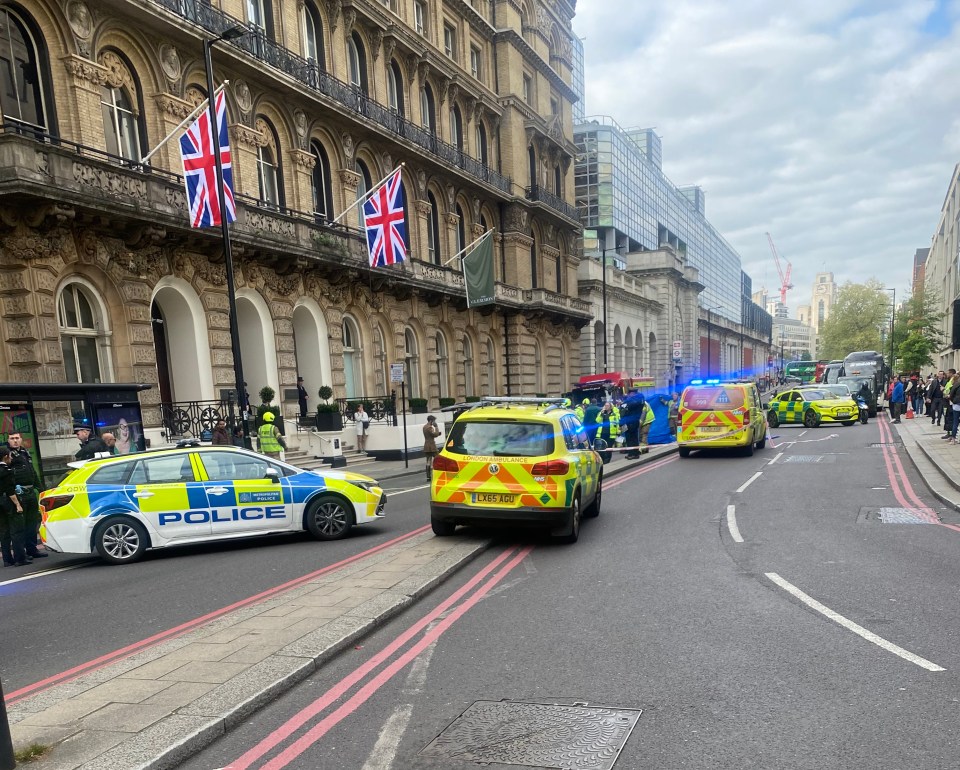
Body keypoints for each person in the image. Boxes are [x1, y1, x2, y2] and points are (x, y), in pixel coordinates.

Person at [5, 431, 46, 560]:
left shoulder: (24, 452)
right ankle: (22, 554)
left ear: (21, 439)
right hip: (18, 494)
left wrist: (40, 489)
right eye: (12, 438)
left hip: (30, 493)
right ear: (8, 440)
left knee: (31, 523)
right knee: (20, 525)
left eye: (17, 438)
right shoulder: (8, 455)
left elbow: (32, 471)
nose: (15, 441)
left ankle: (32, 549)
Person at [0, 446, 28, 567]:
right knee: (16, 530)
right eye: (10, 456)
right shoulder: (6, 471)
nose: (11, 458)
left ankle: (7, 559)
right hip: (8, 501)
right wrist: (17, 505)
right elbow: (10, 490)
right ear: (6, 457)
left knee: (4, 531)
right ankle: (20, 558)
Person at [422, 414, 440, 481]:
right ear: (431, 421)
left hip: (426, 445)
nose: (434, 422)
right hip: (431, 446)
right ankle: (438, 475)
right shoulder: (430, 427)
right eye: (434, 421)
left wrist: (437, 433)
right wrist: (436, 427)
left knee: (428, 461)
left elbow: (430, 435)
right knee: (438, 459)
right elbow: (434, 434)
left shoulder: (424, 427)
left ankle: (428, 477)